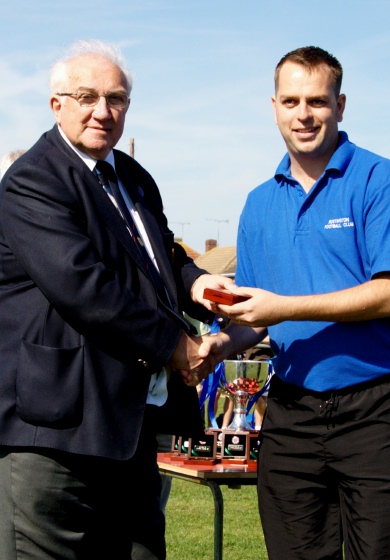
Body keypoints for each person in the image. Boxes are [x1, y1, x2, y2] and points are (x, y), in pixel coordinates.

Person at [0, 39, 232, 560]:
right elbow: (85, 286)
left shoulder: (133, 179)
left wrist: (199, 285)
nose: (103, 111)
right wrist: (179, 346)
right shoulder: (32, 181)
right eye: (87, 96)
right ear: (56, 103)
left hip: (128, 426)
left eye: (117, 98)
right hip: (53, 434)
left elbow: (160, 257)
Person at [200, 46, 390, 559]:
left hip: (375, 409)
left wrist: (283, 308)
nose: (303, 114)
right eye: (290, 101)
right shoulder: (259, 202)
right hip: (289, 412)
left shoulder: (378, 180)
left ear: (341, 105)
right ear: (274, 106)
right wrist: (222, 342)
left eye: (317, 101)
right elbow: (254, 320)